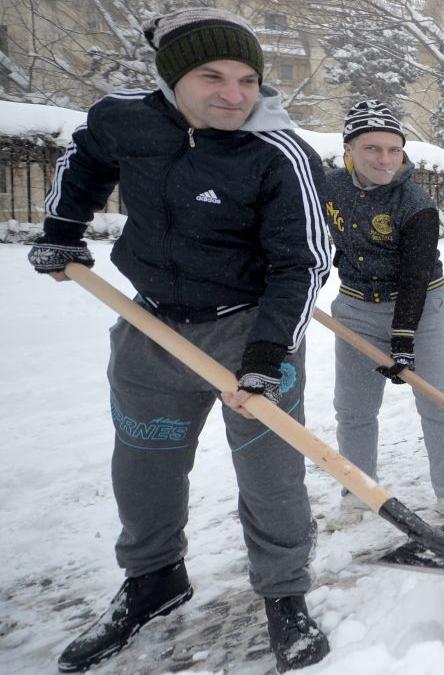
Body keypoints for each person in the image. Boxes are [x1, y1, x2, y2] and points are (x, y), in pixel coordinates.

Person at [26, 8, 330, 672]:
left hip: (249, 326)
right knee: (144, 465)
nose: (234, 94)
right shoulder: (125, 119)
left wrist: (266, 355)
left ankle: (285, 595)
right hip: (149, 322)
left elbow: (303, 262)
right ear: (170, 78)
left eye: (249, 79)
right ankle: (153, 579)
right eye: (212, 76)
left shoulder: (279, 152)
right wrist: (62, 227)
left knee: (271, 476)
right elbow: (86, 157)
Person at [324, 100, 444, 522]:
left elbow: (416, 274)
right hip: (354, 305)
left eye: (394, 149)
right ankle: (357, 492)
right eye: (372, 148)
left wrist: (403, 335)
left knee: (438, 402)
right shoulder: (327, 187)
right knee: (352, 410)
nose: (385, 159)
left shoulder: (416, 203)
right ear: (348, 149)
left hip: (419, 306)